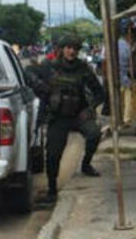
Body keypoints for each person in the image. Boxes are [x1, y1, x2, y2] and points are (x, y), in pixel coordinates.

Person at [27, 35, 106, 204]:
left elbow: (100, 93)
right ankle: (52, 189)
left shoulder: (83, 68)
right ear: (62, 49)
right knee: (53, 155)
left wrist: (90, 109)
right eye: (68, 47)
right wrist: (41, 88)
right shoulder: (49, 67)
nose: (71, 51)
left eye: (75, 48)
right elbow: (28, 73)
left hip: (79, 115)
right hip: (58, 117)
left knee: (94, 133)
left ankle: (86, 164)